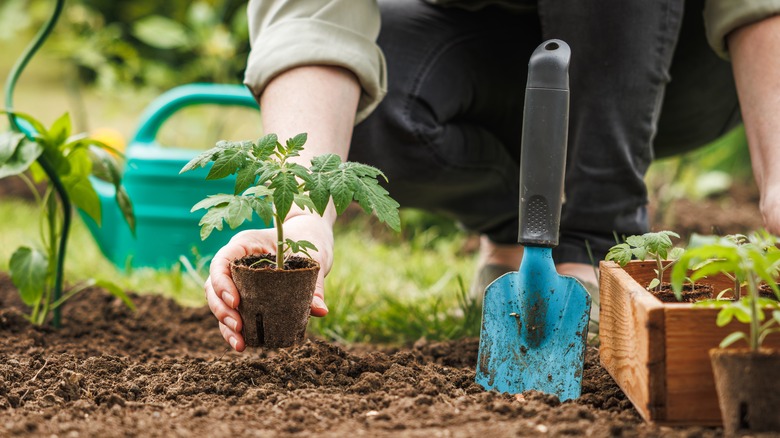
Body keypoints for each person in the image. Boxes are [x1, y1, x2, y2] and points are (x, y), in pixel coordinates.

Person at [206, 0, 780, 352]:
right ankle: (520, 229)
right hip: (482, 46)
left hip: (676, 61)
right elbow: (312, 18)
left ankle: (593, 240)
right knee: (372, 110)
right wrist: (304, 223)